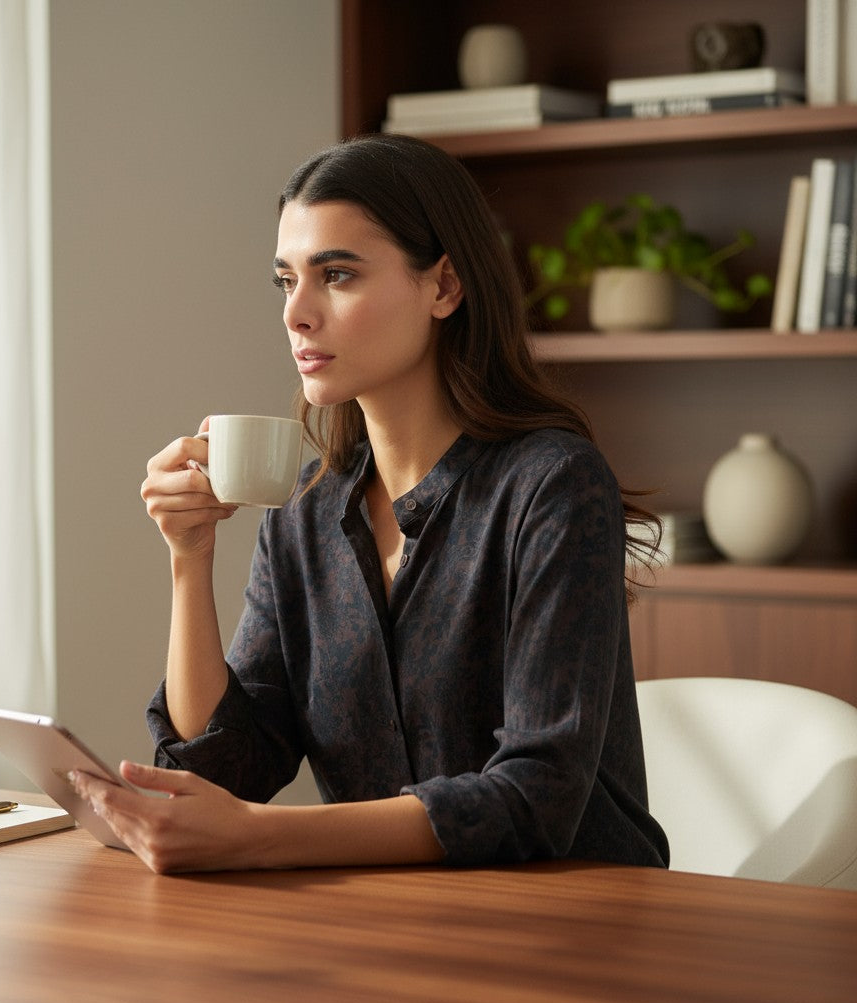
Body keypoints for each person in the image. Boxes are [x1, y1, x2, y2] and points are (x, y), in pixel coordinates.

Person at [70, 134, 670, 874]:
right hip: (388, 915)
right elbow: (226, 774)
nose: (296, 313)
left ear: (444, 287)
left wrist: (259, 835)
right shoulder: (304, 512)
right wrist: (189, 561)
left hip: (574, 913)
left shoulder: (553, 485)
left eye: (337, 275)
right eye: (285, 280)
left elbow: (537, 796)